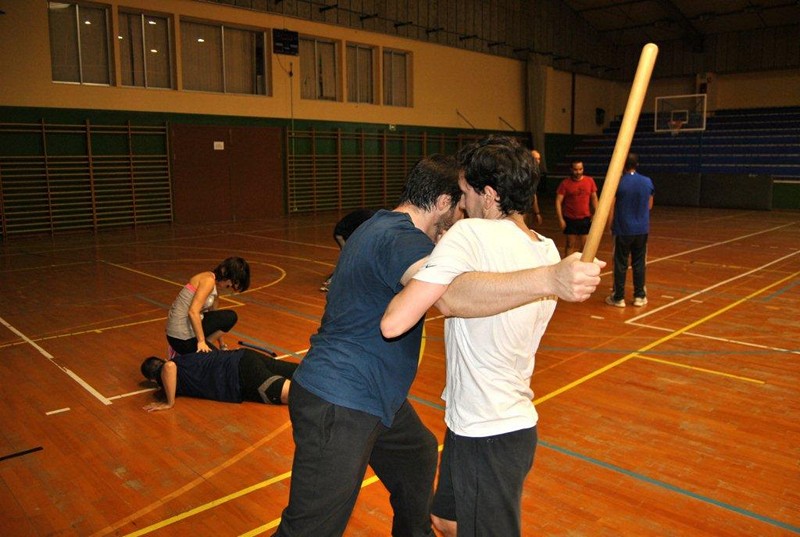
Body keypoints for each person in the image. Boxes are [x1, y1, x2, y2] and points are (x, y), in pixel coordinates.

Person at [275, 153, 603, 537]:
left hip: (374, 395)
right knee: (310, 528)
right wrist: (548, 277)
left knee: (417, 454)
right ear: (444, 202)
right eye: (459, 205)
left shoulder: (378, 224)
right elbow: (450, 295)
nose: (463, 214)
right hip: (341, 401)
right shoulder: (403, 241)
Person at [381, 136, 603, 537]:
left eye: (465, 193)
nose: (461, 205)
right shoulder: (546, 250)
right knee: (446, 519)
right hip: (480, 423)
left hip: (489, 430)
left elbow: (397, 321)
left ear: (488, 194)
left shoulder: (469, 235)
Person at [140, 348, 297, 411]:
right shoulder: (183, 360)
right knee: (295, 371)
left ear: (153, 380)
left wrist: (169, 403)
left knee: (291, 394)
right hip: (243, 356)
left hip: (239, 372)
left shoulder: (168, 369)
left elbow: (169, 367)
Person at [165, 257, 250, 356]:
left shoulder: (214, 286)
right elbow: (193, 312)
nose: (230, 286)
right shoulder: (208, 281)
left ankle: (203, 349)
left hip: (188, 327)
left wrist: (222, 345)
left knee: (230, 316)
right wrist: (201, 342)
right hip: (180, 337)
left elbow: (216, 319)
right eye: (231, 283)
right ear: (226, 273)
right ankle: (193, 352)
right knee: (217, 360)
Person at [605, 153, 654, 308]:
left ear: (623, 165)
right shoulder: (647, 181)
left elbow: (611, 206)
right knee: (639, 263)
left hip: (622, 229)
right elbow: (650, 205)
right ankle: (639, 296)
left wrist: (610, 224)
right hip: (641, 230)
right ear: (636, 164)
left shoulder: (618, 182)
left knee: (620, 264)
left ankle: (618, 297)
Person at [320, 208, 377, 292]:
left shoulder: (374, 217)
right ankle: (331, 282)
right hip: (342, 234)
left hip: (350, 234)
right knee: (348, 258)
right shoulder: (370, 218)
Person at [555, 161, 598, 257]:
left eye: (580, 169)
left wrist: (596, 214)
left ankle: (579, 261)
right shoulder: (565, 183)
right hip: (570, 219)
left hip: (585, 218)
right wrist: (561, 219)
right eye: (575, 170)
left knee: (585, 245)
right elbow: (558, 201)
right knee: (570, 244)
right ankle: (568, 263)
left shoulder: (590, 181)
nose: (578, 172)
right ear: (571, 169)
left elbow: (594, 198)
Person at [526, 149, 543, 228]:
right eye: (535, 158)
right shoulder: (527, 173)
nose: (537, 161)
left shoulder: (534, 173)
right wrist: (537, 213)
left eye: (539, 159)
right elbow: (532, 194)